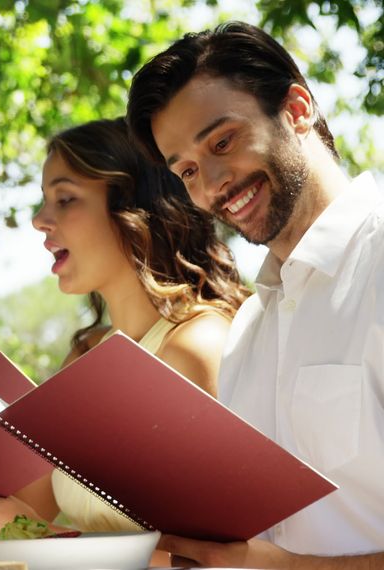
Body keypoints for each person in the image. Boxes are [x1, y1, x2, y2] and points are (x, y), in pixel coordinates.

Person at [124, 21, 384, 568]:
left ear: (296, 109)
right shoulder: (248, 328)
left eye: (224, 141)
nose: (213, 182)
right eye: (188, 170)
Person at [0, 119, 249, 548]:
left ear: (134, 209)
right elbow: (31, 506)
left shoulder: (195, 348)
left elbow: (207, 559)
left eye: (65, 199)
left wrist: (27, 535)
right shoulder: (85, 356)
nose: (38, 220)